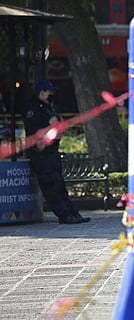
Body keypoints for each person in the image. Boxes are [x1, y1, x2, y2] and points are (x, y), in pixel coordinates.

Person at [23, 80, 91, 224]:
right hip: (41, 154)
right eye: (49, 92)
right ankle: (64, 215)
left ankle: (73, 213)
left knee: (59, 184)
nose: (51, 95)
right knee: (51, 186)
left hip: (52, 153)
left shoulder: (47, 108)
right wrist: (49, 123)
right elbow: (36, 129)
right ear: (41, 93)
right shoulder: (34, 109)